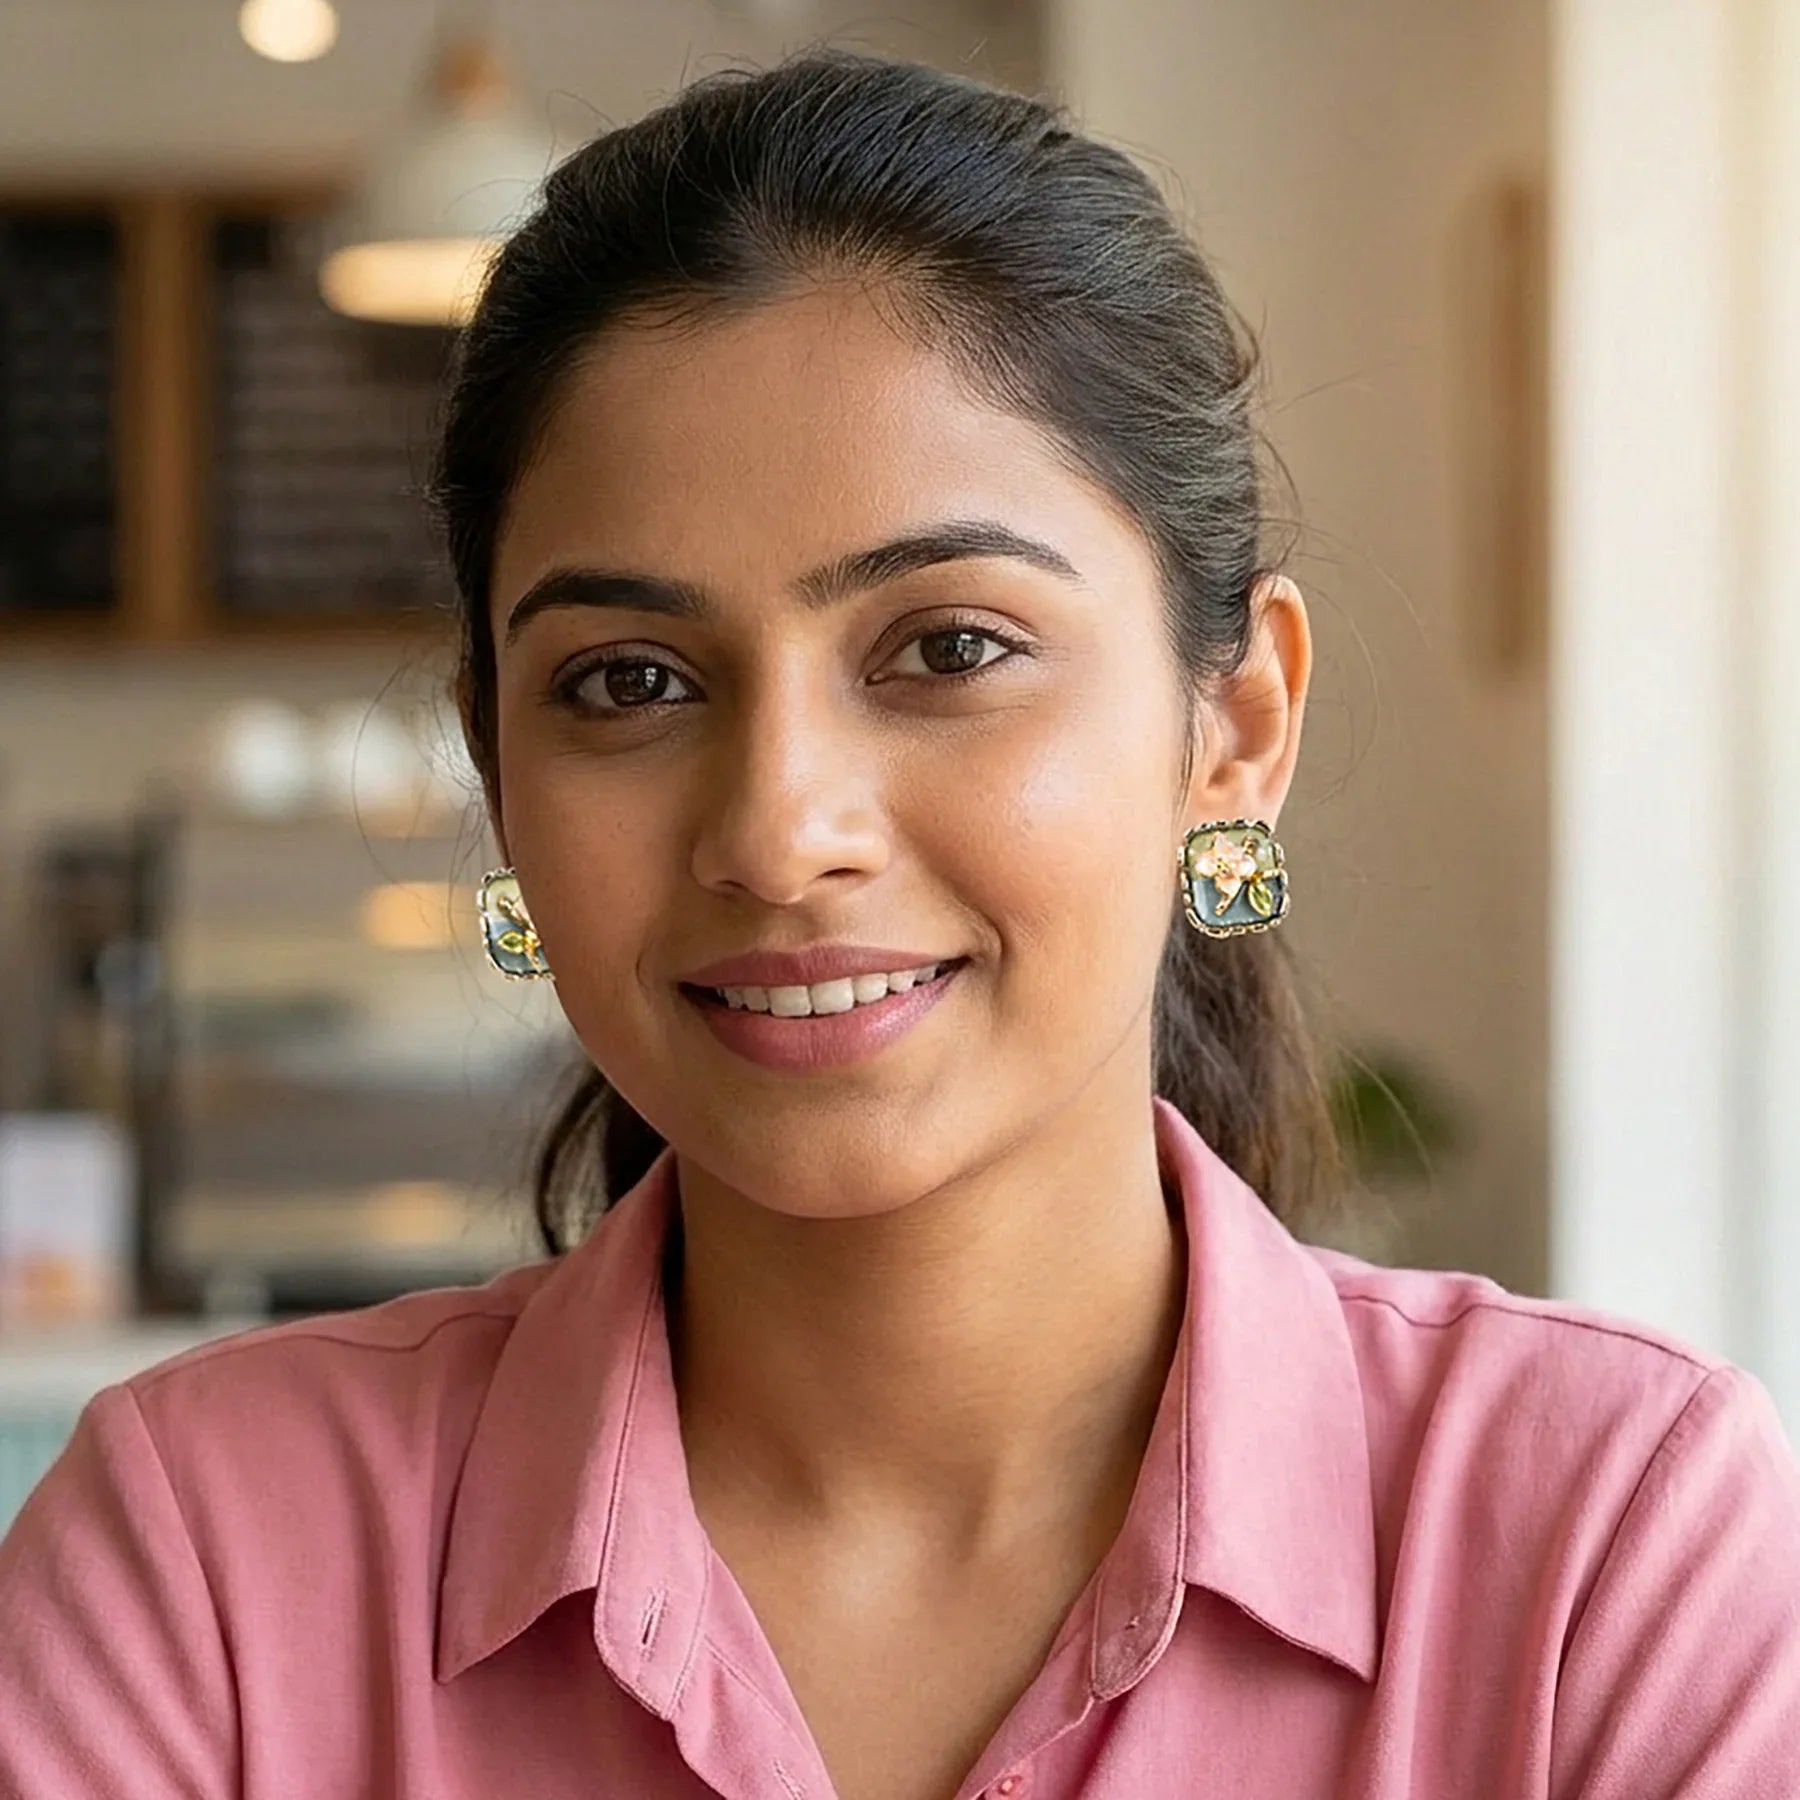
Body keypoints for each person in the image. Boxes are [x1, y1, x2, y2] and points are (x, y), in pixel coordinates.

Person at [3, 47, 1799, 1800]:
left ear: (1235, 724)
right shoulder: (212, 1560)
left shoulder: (1606, 1547)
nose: (781, 834)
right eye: (628, 679)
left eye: (949, 648)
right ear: (499, 773)